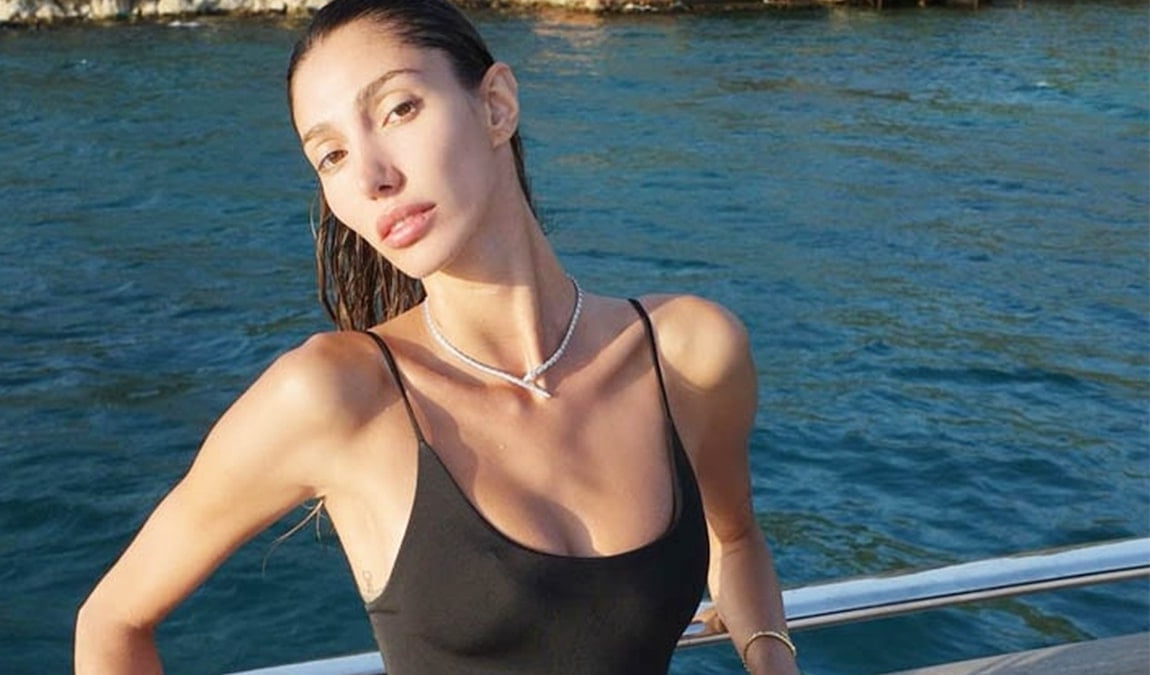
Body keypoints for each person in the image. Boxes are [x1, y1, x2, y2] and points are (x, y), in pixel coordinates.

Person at [74, 1, 798, 673]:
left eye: (398, 109)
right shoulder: (336, 396)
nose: (372, 176)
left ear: (496, 105)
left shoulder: (690, 353)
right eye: (331, 156)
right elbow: (112, 620)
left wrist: (773, 657)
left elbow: (734, 539)